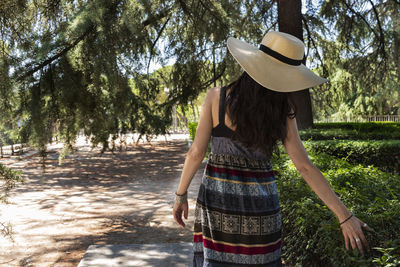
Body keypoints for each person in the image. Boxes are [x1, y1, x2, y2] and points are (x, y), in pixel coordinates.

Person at [173, 31, 371, 266]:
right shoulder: (282, 109)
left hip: (219, 209)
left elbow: (196, 153)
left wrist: (180, 195)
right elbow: (305, 166)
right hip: (262, 214)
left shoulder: (218, 97)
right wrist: (343, 215)